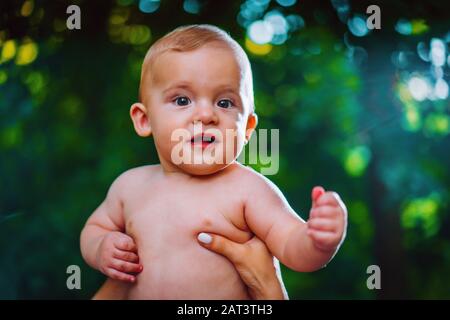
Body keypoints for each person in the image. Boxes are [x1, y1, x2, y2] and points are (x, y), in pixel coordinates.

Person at [80, 24, 348, 299]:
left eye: (225, 103)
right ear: (144, 119)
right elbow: (94, 229)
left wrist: (319, 239)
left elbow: (293, 246)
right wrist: (101, 247)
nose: (206, 115)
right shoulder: (130, 186)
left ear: (247, 129)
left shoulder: (248, 190)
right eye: (182, 99)